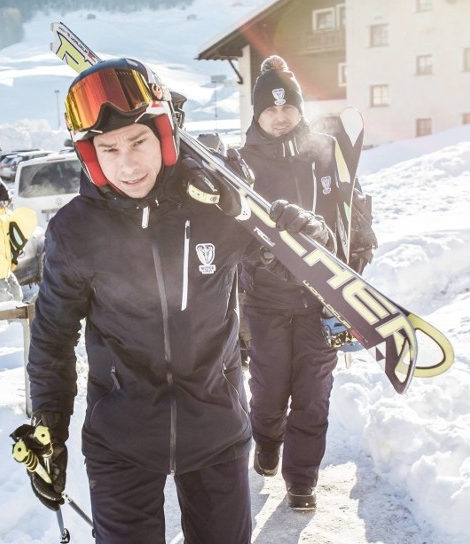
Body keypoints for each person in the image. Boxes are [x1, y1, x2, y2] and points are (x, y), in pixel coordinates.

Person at [17, 58, 332, 543]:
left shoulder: (215, 207)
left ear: (164, 136)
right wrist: (50, 424)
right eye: (109, 148)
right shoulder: (75, 231)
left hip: (216, 431)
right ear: (90, 155)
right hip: (120, 440)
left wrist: (303, 234)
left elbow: (285, 263)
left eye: (139, 142)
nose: (127, 163)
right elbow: (53, 336)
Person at [238, 55, 345, 511]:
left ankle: (301, 479)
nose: (280, 117)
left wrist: (320, 232)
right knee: (268, 390)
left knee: (313, 394)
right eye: (270, 109)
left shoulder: (324, 154)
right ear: (257, 113)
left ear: (299, 108)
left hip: (321, 298)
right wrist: (263, 252)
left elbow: (344, 227)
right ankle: (266, 442)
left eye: (288, 107)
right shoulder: (240, 164)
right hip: (265, 299)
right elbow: (230, 233)